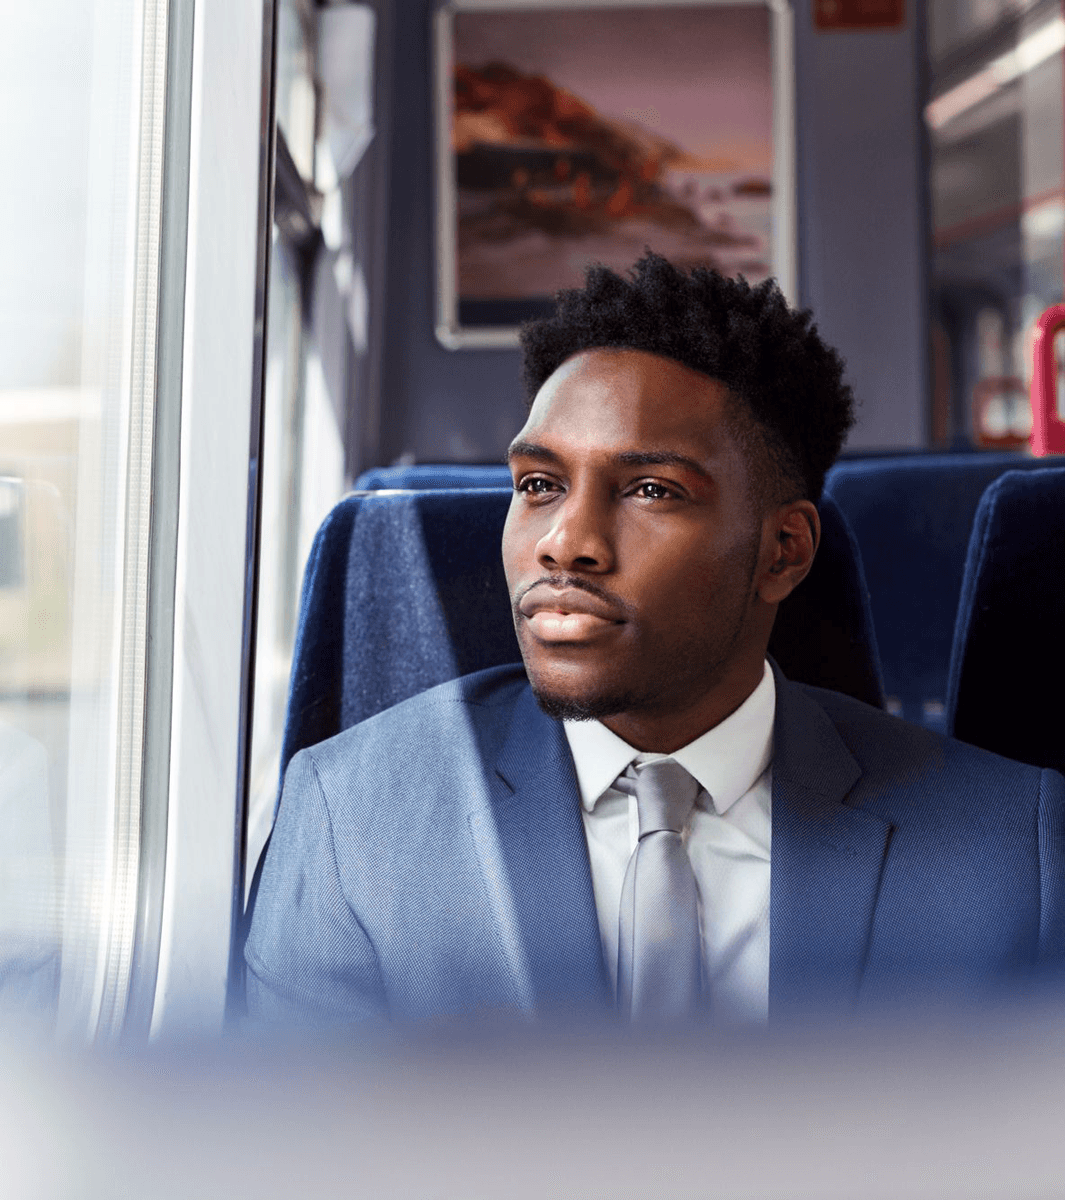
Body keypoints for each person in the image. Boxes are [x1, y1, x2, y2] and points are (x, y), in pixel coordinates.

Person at [244, 254, 1065, 1027]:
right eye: (539, 485)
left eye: (649, 489)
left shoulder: (1012, 850)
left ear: (783, 552)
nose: (565, 542)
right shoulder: (355, 816)